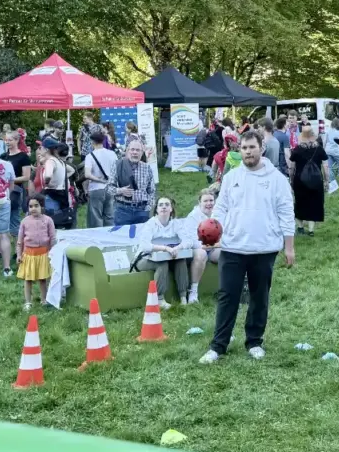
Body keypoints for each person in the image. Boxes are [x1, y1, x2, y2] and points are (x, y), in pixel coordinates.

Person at [199, 130, 295, 364]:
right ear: (239, 150)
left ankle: (254, 341)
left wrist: (289, 246)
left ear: (261, 148)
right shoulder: (232, 177)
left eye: (252, 147)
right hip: (233, 247)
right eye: (244, 148)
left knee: (259, 297)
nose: (248, 151)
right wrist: (212, 227)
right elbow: (221, 208)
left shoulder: (277, 179)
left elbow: (286, 212)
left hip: (264, 248)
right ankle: (218, 346)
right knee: (227, 296)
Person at [134, 196, 199, 309]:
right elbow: (145, 246)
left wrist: (178, 247)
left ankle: (183, 297)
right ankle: (159, 299)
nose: (164, 207)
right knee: (162, 263)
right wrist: (165, 248)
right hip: (143, 259)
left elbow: (189, 241)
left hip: (168, 256)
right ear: (156, 210)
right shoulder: (151, 224)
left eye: (167, 205)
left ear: (171, 209)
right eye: (161, 205)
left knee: (181, 260)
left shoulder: (176, 224)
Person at [16, 194, 55, 311]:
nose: (33, 208)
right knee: (28, 280)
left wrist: (52, 253)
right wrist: (19, 255)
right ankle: (28, 302)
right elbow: (20, 240)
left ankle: (44, 300)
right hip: (28, 255)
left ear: (42, 206)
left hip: (43, 254)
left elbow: (52, 238)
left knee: (43, 279)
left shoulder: (48, 220)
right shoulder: (24, 222)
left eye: (36, 206)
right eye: (30, 206)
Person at [289, 125, 328, 236]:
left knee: (300, 203)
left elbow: (291, 167)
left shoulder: (297, 149)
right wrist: (326, 180)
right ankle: (311, 230)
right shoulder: (319, 149)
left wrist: (291, 179)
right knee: (314, 203)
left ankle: (300, 227)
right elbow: (325, 166)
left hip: (299, 179)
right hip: (316, 180)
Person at [108, 139, 156, 226]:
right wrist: (121, 190)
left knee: (141, 238)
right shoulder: (118, 165)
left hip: (142, 211)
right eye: (132, 149)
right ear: (127, 151)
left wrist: (148, 208)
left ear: (142, 152)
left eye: (138, 150)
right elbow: (108, 188)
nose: (135, 152)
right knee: (122, 238)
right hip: (122, 211)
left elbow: (152, 191)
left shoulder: (147, 168)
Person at [84, 130, 118, 228]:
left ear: (92, 142)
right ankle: (109, 237)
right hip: (110, 188)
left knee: (95, 216)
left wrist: (99, 180)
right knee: (109, 215)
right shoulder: (112, 154)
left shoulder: (90, 156)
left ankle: (97, 239)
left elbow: (87, 174)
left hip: (96, 188)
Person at [41, 138, 75, 230]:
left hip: (51, 195)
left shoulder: (50, 161)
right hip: (61, 195)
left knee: (51, 225)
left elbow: (48, 175)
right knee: (59, 224)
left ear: (47, 149)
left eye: (41, 147)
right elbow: (72, 170)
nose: (40, 149)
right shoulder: (60, 161)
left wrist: (46, 183)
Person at [2, 130, 32, 238]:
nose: (7, 142)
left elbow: (27, 176)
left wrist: (10, 180)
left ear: (17, 140)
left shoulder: (23, 157)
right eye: (6, 140)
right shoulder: (3, 156)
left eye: (10, 140)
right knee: (1, 221)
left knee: (14, 219)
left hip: (15, 191)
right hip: (1, 192)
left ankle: (18, 249)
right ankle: (1, 250)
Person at [0, 139, 15, 276]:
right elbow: (11, 185)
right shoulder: (7, 164)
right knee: (3, 234)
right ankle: (7, 268)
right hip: (2, 201)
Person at [324, 118, 339, 185]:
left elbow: (325, 141)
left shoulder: (328, 131)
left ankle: (331, 181)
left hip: (328, 150)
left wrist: (324, 148)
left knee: (329, 167)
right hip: (336, 151)